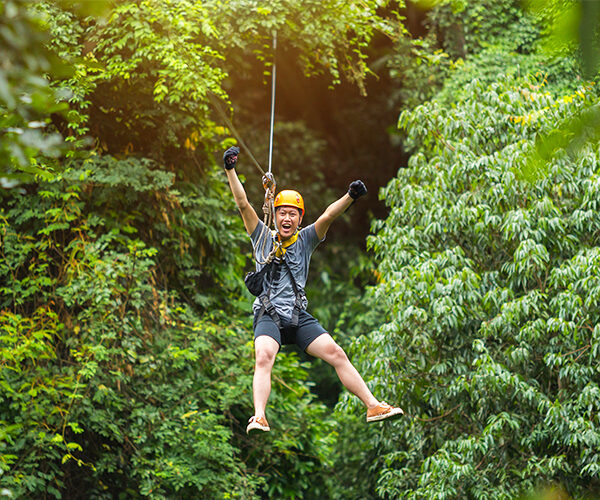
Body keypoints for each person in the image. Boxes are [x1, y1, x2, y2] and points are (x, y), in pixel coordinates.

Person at [223, 146, 403, 434]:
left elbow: (327, 217)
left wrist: (350, 197)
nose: (286, 218)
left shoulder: (306, 239)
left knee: (336, 352)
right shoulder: (260, 236)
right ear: (275, 213)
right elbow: (243, 204)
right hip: (268, 315)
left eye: (292, 214)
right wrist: (230, 170)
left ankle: (372, 405)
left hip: (296, 316)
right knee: (263, 356)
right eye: (282, 213)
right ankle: (259, 416)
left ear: (299, 218)